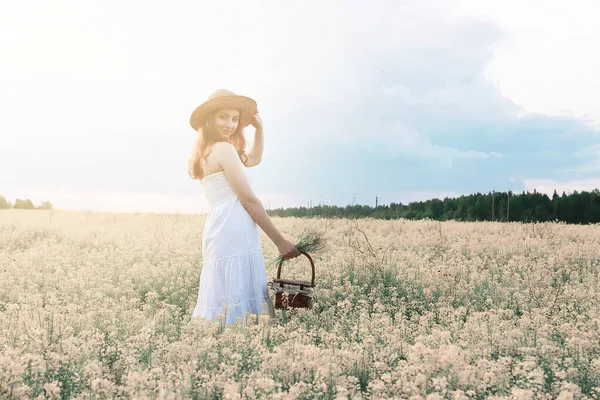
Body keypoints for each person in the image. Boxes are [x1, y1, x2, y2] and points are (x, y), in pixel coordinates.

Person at [188, 89, 301, 327]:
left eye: (235, 118)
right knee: (238, 287)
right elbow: (248, 200)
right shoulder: (224, 149)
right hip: (234, 226)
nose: (230, 124)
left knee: (223, 293)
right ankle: (241, 338)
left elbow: (253, 159)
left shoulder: (207, 151)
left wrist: (259, 129)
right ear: (210, 118)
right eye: (223, 117)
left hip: (219, 226)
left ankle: (222, 341)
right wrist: (279, 240)